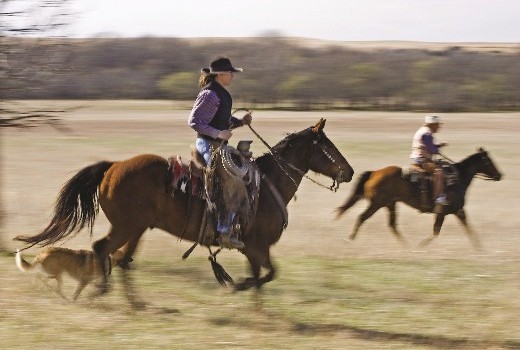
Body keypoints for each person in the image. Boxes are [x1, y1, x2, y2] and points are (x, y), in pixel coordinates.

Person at [188, 57, 252, 249]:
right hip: (207, 144)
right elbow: (194, 121)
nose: (232, 76)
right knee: (227, 179)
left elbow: (222, 120)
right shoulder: (210, 94)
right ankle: (224, 231)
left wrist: (241, 121)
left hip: (218, 145)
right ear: (220, 74)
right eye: (230, 72)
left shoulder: (221, 94)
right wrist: (218, 133)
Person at [410, 115, 449, 206]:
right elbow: (431, 149)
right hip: (422, 160)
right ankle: (438, 197)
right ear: (433, 124)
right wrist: (437, 149)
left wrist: (439, 145)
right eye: (437, 125)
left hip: (417, 157)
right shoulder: (427, 133)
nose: (439, 127)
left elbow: (428, 146)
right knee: (438, 172)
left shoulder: (423, 130)